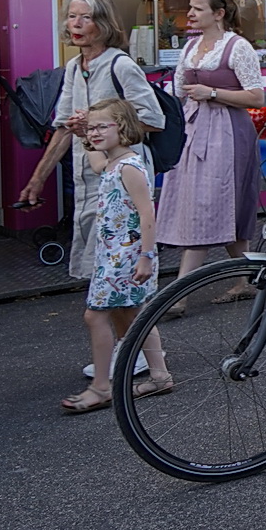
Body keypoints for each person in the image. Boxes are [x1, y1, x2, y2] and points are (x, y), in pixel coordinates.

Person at [20, 0, 165, 289]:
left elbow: (154, 119)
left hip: (123, 176)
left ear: (103, 23)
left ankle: (124, 307)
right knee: (96, 261)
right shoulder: (74, 67)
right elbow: (63, 128)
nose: (76, 24)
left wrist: (99, 124)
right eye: (72, 16)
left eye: (86, 17)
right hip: (87, 175)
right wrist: (37, 180)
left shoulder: (120, 65)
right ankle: (108, 305)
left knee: (121, 256)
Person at [155, 0, 265, 310]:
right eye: (190, 7)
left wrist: (212, 93)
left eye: (198, 8)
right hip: (194, 129)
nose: (190, 13)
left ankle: (178, 295)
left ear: (218, 14)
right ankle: (248, 279)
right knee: (213, 205)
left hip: (227, 132)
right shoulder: (191, 47)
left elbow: (256, 97)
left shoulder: (238, 47)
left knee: (206, 205)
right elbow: (178, 93)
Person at [60, 98, 170, 413]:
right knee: (133, 315)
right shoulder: (111, 162)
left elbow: (147, 213)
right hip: (113, 254)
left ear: (121, 128)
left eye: (101, 127)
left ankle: (100, 387)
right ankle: (160, 376)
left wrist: (146, 256)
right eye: (91, 128)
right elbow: (95, 163)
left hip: (126, 256)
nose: (93, 133)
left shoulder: (129, 167)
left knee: (95, 315)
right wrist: (82, 131)